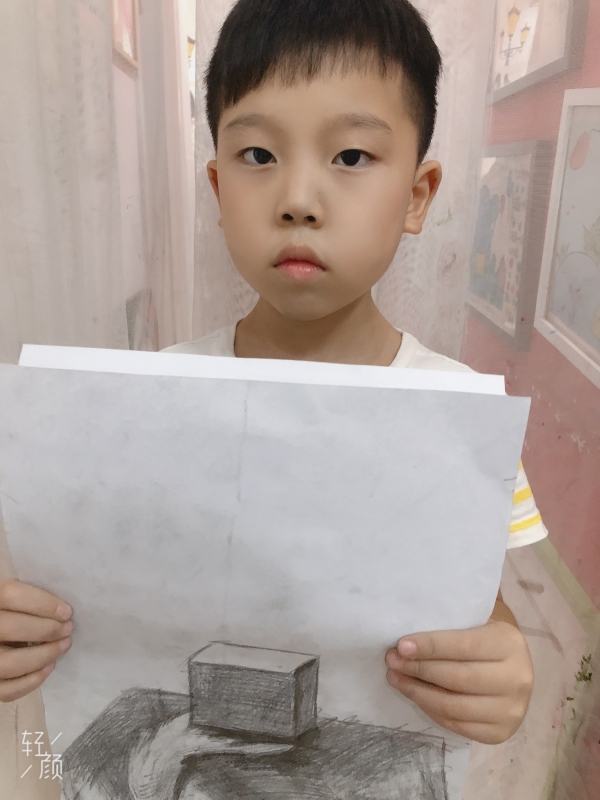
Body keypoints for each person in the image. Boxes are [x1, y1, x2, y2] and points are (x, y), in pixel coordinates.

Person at [0, 0, 546, 761]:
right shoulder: (146, 404)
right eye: (258, 155)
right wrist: (25, 634)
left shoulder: (460, 420)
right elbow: (85, 594)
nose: (296, 201)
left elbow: (476, 606)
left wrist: (500, 666)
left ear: (418, 196)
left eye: (351, 156)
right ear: (219, 191)